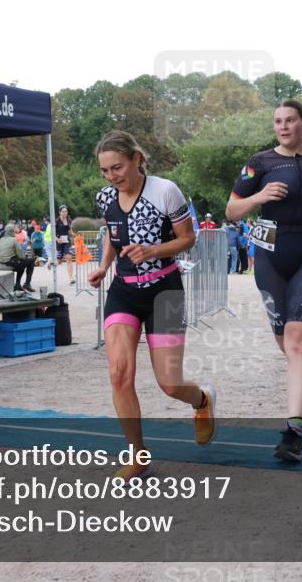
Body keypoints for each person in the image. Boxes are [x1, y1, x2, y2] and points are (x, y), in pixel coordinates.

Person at [225, 99, 302, 463]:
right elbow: (231, 209)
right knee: (287, 343)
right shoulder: (260, 163)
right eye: (278, 121)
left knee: (296, 344)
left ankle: (293, 432)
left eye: (290, 120)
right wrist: (260, 196)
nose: (283, 127)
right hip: (270, 255)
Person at [89, 130, 216, 481]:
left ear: (136, 160)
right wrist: (103, 266)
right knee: (119, 374)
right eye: (105, 171)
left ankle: (202, 401)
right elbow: (114, 237)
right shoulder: (105, 198)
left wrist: (152, 251)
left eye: (117, 167)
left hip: (165, 291)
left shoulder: (165, 190)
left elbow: (187, 239)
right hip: (123, 292)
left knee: (170, 384)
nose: (112, 177)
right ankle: (138, 457)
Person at [0, 223, 36, 292]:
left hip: (1, 263)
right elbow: (21, 255)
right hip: (10, 263)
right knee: (31, 261)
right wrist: (25, 257)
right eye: (14, 231)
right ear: (12, 231)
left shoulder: (1, 240)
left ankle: (18, 284)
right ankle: (27, 284)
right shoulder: (13, 239)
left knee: (22, 264)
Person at [54, 205, 75, 285]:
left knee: (68, 258)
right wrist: (57, 239)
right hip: (59, 242)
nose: (64, 213)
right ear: (59, 212)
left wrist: (73, 234)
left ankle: (71, 278)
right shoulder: (56, 221)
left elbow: (69, 230)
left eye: (66, 211)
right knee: (59, 261)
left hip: (67, 242)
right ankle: (50, 261)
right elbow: (52, 233)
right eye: (63, 211)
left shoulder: (68, 219)